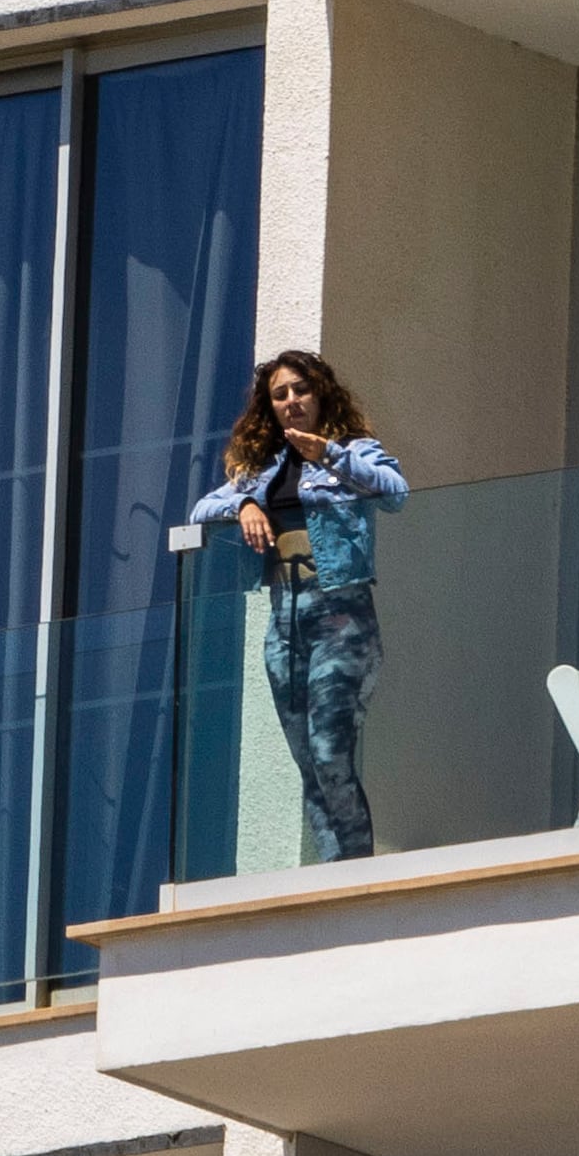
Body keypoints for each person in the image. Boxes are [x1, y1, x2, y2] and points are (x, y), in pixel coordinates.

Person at [181, 349, 406, 863]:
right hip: (285, 618)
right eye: (280, 394)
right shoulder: (263, 469)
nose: (291, 401)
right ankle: (334, 871)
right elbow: (200, 508)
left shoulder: (353, 450)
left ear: (320, 392)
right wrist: (245, 503)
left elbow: (396, 492)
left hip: (341, 615)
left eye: (299, 389)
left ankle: (353, 872)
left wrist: (330, 454)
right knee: (307, 760)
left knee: (331, 754)